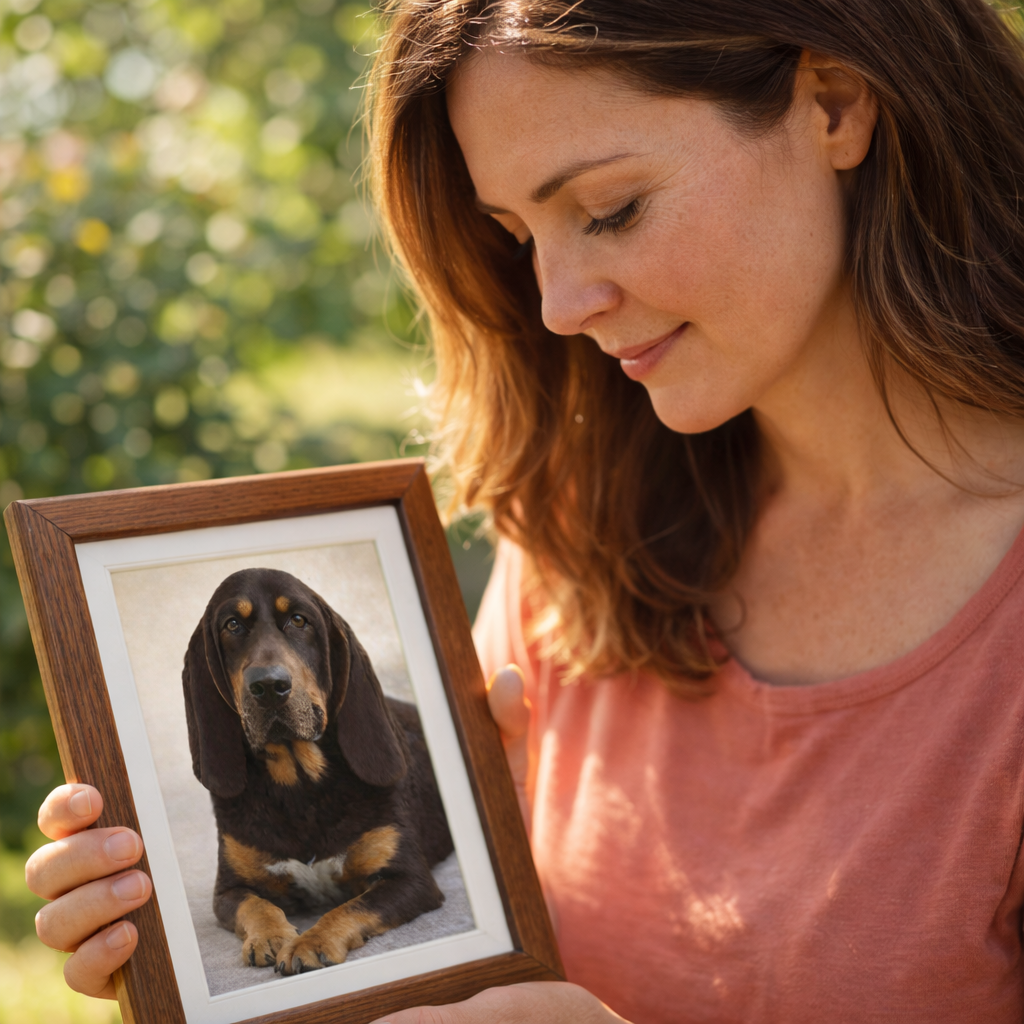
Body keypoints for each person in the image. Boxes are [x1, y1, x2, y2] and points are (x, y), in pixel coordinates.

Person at [23, 0, 1024, 1020]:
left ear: (835, 105)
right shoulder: (579, 541)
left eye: (610, 208)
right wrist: (197, 971)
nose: (555, 303)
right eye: (515, 236)